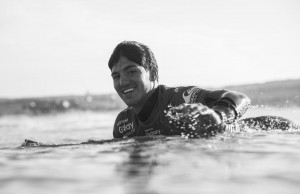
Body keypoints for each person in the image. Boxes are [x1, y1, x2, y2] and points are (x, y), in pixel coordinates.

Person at [108, 41, 251, 138]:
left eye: (131, 72)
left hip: (248, 134)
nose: (123, 82)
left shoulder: (178, 100)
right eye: (116, 76)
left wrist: (218, 116)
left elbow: (240, 97)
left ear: (153, 73)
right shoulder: (123, 124)